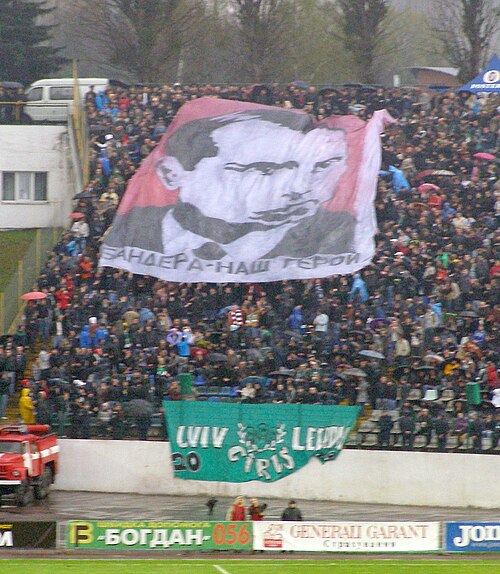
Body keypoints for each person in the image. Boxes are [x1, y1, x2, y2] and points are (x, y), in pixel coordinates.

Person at [106, 107, 355, 261]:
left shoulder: (337, 237)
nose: (302, 188)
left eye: (321, 166)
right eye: (265, 169)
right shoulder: (133, 233)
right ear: (173, 174)